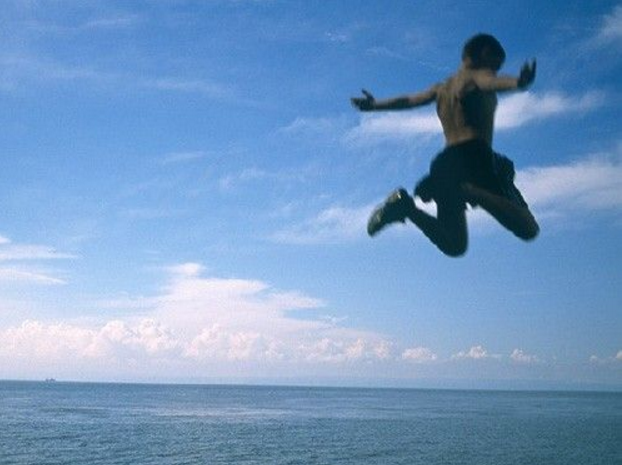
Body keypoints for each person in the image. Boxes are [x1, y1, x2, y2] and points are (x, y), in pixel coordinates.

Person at [351, 33, 539, 257]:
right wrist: (518, 82)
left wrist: (375, 105)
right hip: (475, 158)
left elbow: (409, 101)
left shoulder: (441, 88)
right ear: (485, 54)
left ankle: (405, 208)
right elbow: (490, 82)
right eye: (495, 66)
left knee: (454, 245)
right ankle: (470, 191)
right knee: (528, 228)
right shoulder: (477, 75)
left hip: (445, 164)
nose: (495, 72)